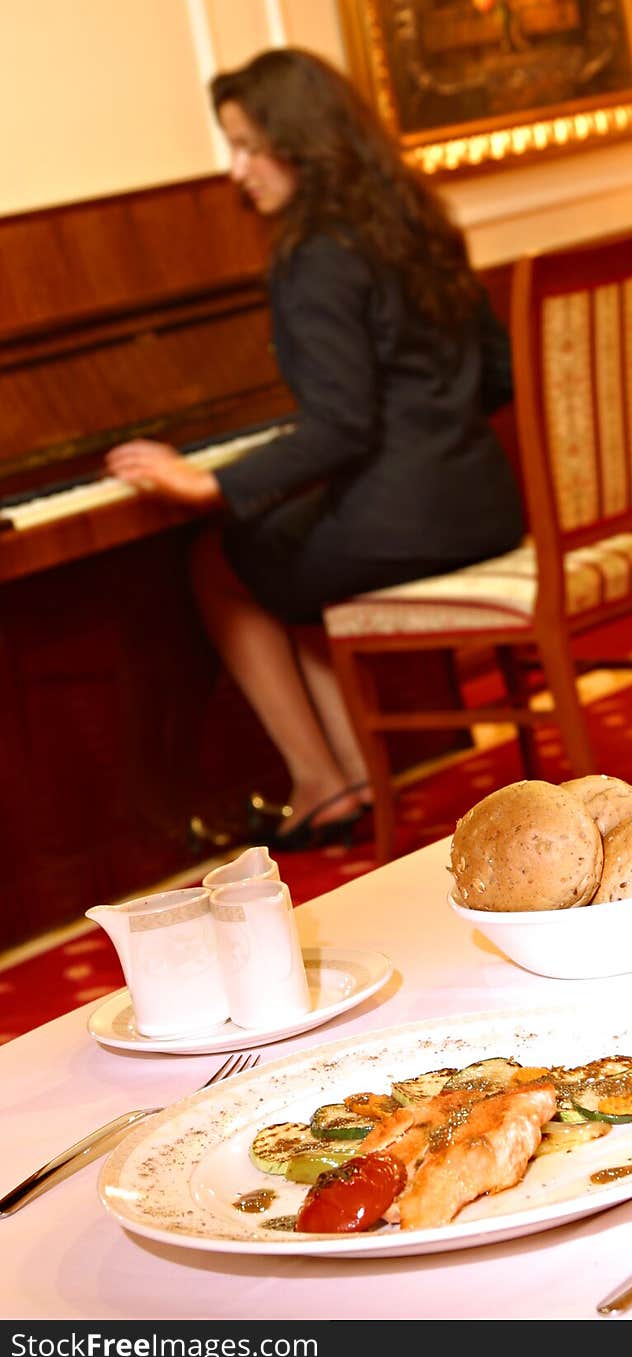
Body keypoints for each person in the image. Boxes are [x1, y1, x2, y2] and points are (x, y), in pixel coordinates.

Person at [105, 46, 524, 851]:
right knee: (292, 539)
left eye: (248, 146)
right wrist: (421, 431)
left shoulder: (316, 254)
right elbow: (496, 376)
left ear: (302, 144)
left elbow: (339, 428)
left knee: (219, 560)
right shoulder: (417, 221)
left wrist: (208, 483)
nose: (237, 171)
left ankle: (315, 777)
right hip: (485, 506)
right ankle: (353, 775)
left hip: (409, 524)